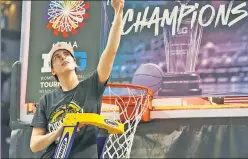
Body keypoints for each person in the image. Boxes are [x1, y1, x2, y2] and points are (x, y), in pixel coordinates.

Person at [29, 0, 125, 158]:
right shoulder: (46, 100)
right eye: (57, 57)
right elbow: (34, 145)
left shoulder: (92, 86)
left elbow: (111, 51)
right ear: (53, 70)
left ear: (75, 62)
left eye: (67, 54)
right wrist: (59, 132)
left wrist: (118, 13)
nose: (63, 57)